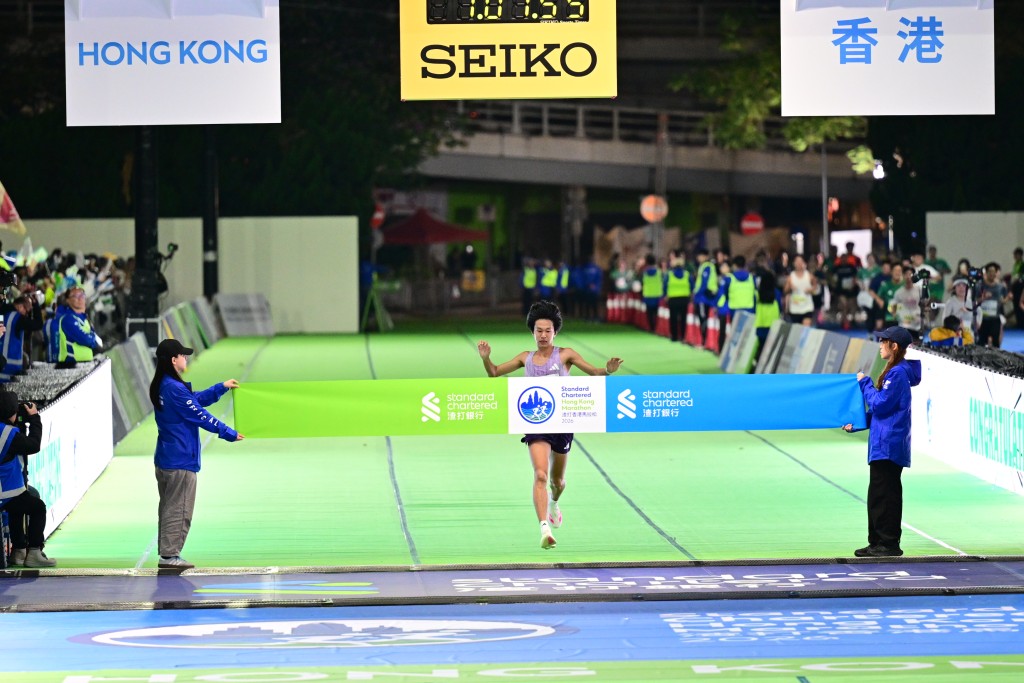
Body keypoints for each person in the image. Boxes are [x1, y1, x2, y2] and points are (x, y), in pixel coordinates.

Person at [476, 300, 623, 550]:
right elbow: (494, 372)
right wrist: (486, 358)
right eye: (538, 331)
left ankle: (554, 502)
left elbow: (595, 373)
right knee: (540, 475)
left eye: (547, 331)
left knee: (557, 481)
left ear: (555, 332)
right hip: (536, 423)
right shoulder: (525, 358)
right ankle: (544, 528)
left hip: (563, 423)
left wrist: (607, 370)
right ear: (532, 332)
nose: (543, 335)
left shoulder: (565, 355)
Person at [150, 338, 245, 570]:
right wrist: (228, 433)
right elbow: (200, 415)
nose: (186, 358)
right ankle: (170, 556)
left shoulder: (164, 384)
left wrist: (220, 388)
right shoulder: (174, 388)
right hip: (180, 460)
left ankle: (167, 553)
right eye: (183, 355)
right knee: (179, 509)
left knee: (169, 508)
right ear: (174, 360)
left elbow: (194, 402)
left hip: (167, 458)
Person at [843, 326, 921, 558]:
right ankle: (879, 542)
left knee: (884, 495)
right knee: (881, 495)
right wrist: (858, 423)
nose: (879, 345)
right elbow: (883, 410)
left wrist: (865, 383)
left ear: (894, 346)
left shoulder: (896, 374)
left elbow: (879, 404)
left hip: (887, 445)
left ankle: (886, 543)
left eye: (883, 341)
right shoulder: (897, 372)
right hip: (887, 443)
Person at [0, 390, 54, 567]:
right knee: (37, 507)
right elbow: (33, 445)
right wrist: (35, 418)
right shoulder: (6, 434)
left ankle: (19, 551)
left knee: (18, 506)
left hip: (9, 492)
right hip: (5, 492)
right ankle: (34, 553)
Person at [0, 294, 44, 382]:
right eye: (26, 310)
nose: (26, 314)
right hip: (10, 369)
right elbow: (38, 324)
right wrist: (35, 305)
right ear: (20, 306)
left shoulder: (3, 313)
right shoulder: (17, 318)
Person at [57, 287, 102, 366]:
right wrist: (94, 339)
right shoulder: (68, 319)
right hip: (72, 366)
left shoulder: (84, 318)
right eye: (75, 296)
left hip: (84, 365)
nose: (80, 298)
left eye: (82, 295)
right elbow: (86, 339)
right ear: (68, 300)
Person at [664, 250, 691, 342]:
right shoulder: (687, 274)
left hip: (673, 299)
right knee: (683, 318)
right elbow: (692, 285)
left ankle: (674, 336)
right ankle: (683, 336)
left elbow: (665, 286)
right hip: (684, 299)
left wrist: (665, 295)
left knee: (673, 318)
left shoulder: (669, 274)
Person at [783, 254, 816, 326]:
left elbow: (815, 287)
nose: (799, 263)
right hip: (795, 308)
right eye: (797, 261)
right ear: (794, 263)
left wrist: (811, 290)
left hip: (807, 307)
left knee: (805, 329)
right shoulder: (791, 277)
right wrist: (790, 287)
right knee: (797, 330)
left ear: (804, 263)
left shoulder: (809, 275)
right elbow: (785, 291)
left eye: (800, 261)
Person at [639, 254, 663, 334]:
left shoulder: (644, 272)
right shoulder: (659, 272)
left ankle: (651, 328)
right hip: (657, 295)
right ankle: (655, 327)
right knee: (655, 313)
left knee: (649, 313)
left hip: (648, 295)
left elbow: (641, 282)